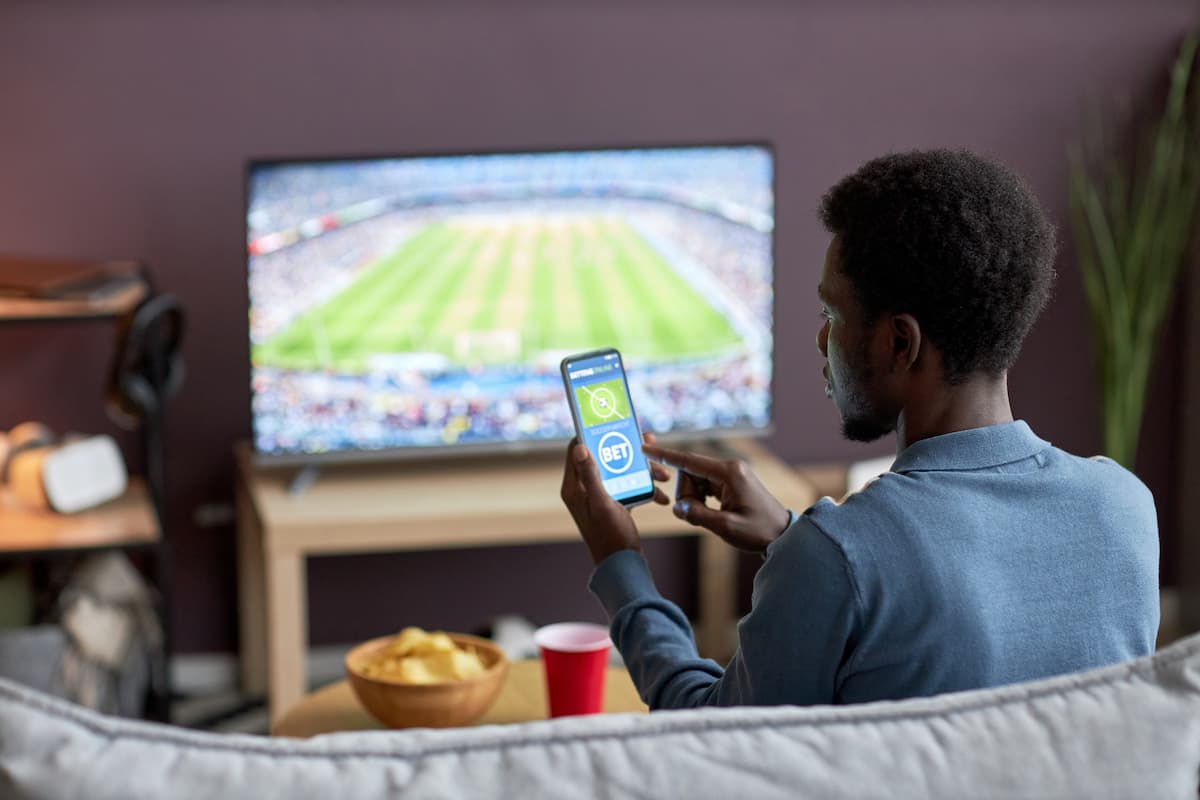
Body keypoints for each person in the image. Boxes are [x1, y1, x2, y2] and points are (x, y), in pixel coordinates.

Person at [559, 149, 1160, 709]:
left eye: (832, 314)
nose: (822, 340)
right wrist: (788, 538)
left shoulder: (835, 559)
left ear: (900, 341)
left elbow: (709, 739)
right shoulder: (1126, 507)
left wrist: (621, 564)